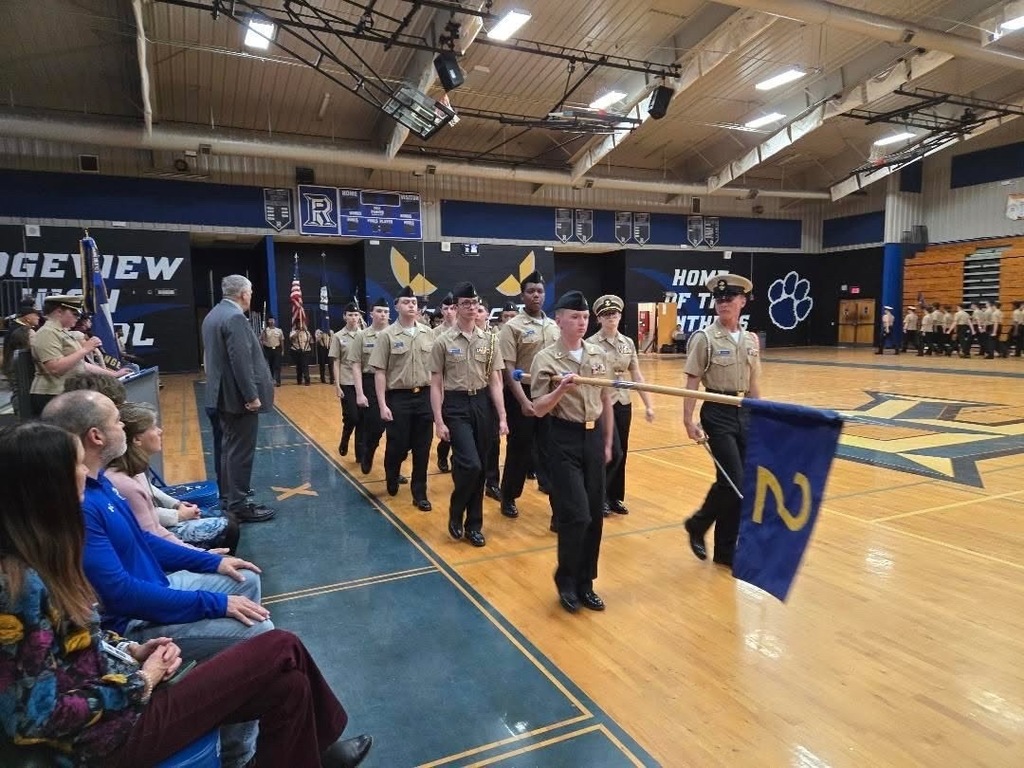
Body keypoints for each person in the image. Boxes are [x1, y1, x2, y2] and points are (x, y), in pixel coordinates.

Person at [0, 420, 373, 768]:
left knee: (289, 687)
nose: (85, 473)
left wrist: (131, 651)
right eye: (76, 466)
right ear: (49, 486)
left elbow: (78, 646)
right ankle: (320, 751)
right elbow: (34, 719)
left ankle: (306, 755)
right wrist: (141, 680)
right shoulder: (19, 587)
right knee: (280, 645)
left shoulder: (44, 558)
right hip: (106, 739)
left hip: (121, 701)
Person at [41, 390, 272, 767]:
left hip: (156, 589)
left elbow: (144, 540)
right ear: (96, 436)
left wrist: (208, 563)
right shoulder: (83, 505)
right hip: (135, 621)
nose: (123, 424)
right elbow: (121, 594)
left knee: (244, 579)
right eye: (117, 420)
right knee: (261, 635)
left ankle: (234, 704)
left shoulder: (101, 484)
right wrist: (215, 604)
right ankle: (240, 757)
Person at [530, 291, 613, 614]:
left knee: (594, 516)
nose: (581, 323)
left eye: (584, 318)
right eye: (575, 317)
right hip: (562, 438)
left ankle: (586, 582)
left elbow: (604, 399)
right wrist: (560, 389)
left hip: (592, 439)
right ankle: (565, 580)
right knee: (576, 514)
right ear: (559, 320)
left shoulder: (597, 355)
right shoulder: (546, 359)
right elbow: (538, 408)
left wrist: (607, 442)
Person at [682, 274, 762, 568]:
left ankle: (726, 552)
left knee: (736, 487)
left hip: (744, 412)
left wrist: (760, 417)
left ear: (742, 301)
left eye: (729, 299)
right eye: (719, 299)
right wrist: (688, 420)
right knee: (734, 481)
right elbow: (692, 380)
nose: (723, 303)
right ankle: (698, 523)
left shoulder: (752, 340)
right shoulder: (704, 338)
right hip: (717, 412)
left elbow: (754, 383)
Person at [430, 282, 508, 547]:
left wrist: (503, 416)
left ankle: (474, 525)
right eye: (466, 304)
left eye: (475, 303)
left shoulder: (489, 340)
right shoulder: (442, 342)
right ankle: (456, 509)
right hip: (456, 405)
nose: (472, 308)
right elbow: (437, 383)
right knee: (471, 465)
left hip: (482, 404)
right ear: (457, 307)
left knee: (482, 468)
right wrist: (439, 420)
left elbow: (496, 380)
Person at [107, 401, 239, 553]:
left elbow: (151, 491)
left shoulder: (134, 465)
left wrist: (176, 504)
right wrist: (179, 516)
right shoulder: (123, 481)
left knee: (228, 516)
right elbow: (151, 532)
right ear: (137, 439)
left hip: (158, 527)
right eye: (153, 428)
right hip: (154, 544)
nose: (160, 431)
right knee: (229, 527)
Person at [201, 275, 276, 523]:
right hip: (236, 399)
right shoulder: (234, 318)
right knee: (240, 452)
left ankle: (228, 496)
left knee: (227, 449)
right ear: (244, 294)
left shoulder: (213, 315)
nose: (251, 295)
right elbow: (241, 361)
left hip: (219, 395)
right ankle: (239, 505)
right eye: (251, 291)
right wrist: (252, 396)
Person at [498, 270, 560, 519]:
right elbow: (508, 368)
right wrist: (523, 401)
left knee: (552, 448)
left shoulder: (553, 326)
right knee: (520, 448)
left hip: (550, 393)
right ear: (523, 295)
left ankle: (556, 501)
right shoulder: (512, 327)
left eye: (540, 291)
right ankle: (509, 496)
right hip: (522, 392)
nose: (536, 295)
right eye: (531, 291)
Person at [586, 295, 655, 515]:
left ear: (620, 315)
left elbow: (636, 373)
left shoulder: (627, 343)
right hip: (601, 402)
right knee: (610, 451)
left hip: (623, 401)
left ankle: (615, 496)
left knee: (622, 450)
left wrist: (648, 404)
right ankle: (600, 496)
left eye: (614, 314)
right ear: (599, 319)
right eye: (606, 315)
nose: (611, 318)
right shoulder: (591, 344)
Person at [370, 285, 435, 510]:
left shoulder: (429, 333)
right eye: (406, 302)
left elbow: (437, 371)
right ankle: (392, 472)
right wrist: (382, 405)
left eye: (414, 303)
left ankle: (420, 493)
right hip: (399, 398)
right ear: (396, 306)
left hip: (424, 396)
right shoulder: (386, 335)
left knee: (423, 447)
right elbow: (379, 372)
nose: (411, 306)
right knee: (398, 445)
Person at [29, 294, 122, 416]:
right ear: (59, 311)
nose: (78, 318)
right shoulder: (47, 333)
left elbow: (80, 364)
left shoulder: (62, 332)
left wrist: (113, 374)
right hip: (52, 394)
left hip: (65, 391)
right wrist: (85, 349)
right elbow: (55, 368)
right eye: (74, 314)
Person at [348, 297, 391, 474]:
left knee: (398, 433)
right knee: (376, 426)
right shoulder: (362, 336)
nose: (383, 315)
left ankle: (392, 469)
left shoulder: (395, 334)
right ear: (372, 313)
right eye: (379, 311)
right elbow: (356, 364)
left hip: (393, 384)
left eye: (386, 312)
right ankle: (369, 452)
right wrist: (359, 392)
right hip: (370, 382)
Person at [330, 302, 363, 457]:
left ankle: (360, 453)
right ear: (344, 317)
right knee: (353, 417)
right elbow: (336, 361)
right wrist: (337, 385)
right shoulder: (338, 336)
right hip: (347, 381)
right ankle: (345, 438)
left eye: (356, 315)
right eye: (350, 315)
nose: (353, 318)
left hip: (363, 382)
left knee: (363, 418)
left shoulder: (365, 335)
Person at [1, 299, 39, 417]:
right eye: (35, 315)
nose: (38, 318)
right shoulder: (19, 331)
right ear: (27, 317)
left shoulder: (20, 329)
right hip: (15, 370)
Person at [433, 292, 457, 473]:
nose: (449, 312)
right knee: (447, 427)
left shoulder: (466, 330)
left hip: (460, 386)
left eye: (452, 308)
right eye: (446, 308)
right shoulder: (434, 335)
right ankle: (443, 452)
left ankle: (458, 461)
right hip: (442, 387)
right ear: (441, 311)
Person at [260, 316, 284, 386]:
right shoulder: (265, 330)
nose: (271, 321)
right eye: (270, 320)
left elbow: (281, 340)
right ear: (268, 321)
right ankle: (270, 381)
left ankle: (278, 381)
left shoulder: (279, 330)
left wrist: (282, 350)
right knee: (270, 366)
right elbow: (262, 340)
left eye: (272, 320)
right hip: (268, 350)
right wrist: (264, 334)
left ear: (274, 321)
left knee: (277, 366)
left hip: (277, 349)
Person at [290, 320, 313, 385]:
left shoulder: (307, 332)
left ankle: (307, 380)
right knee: (299, 366)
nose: (302, 325)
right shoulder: (293, 331)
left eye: (303, 323)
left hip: (306, 350)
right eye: (300, 324)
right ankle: (299, 380)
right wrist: (298, 332)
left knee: (305, 365)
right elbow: (291, 338)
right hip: (296, 351)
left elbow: (311, 341)